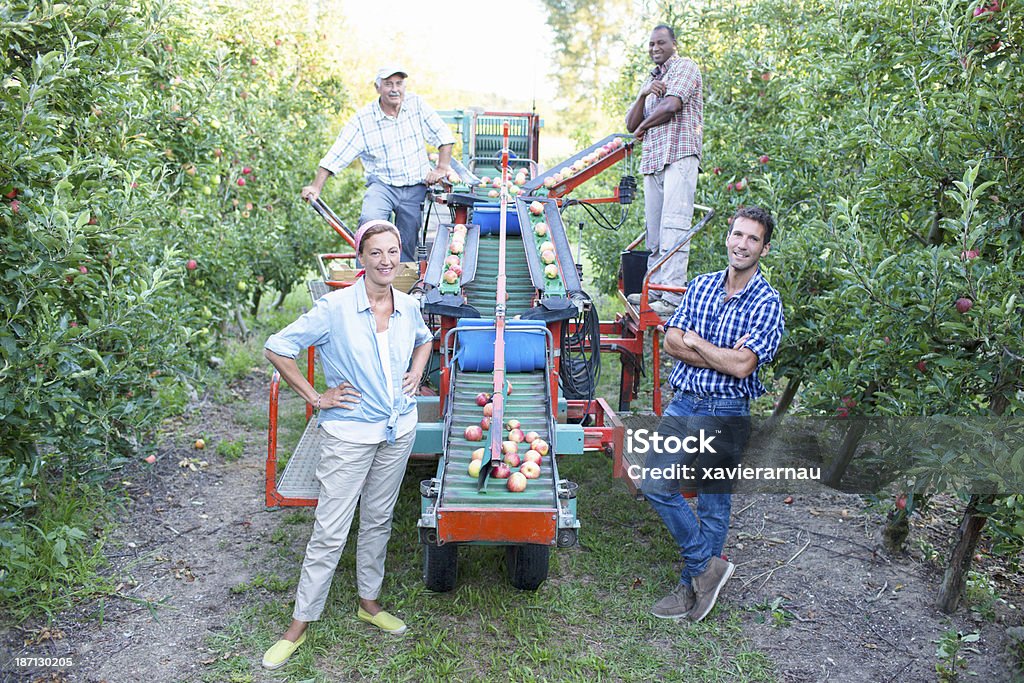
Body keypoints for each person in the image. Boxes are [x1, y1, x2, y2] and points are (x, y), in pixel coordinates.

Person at [261, 220, 433, 670]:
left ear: (401, 256)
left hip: (397, 432)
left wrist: (417, 371)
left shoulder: (409, 305)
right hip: (349, 434)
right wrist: (318, 397)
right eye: (376, 252)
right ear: (361, 258)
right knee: (330, 530)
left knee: (378, 518)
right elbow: (278, 347)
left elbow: (425, 340)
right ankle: (299, 624)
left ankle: (369, 602)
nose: (385, 261)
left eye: (393, 252)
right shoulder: (335, 308)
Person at [642, 206, 784, 622]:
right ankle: (707, 568)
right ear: (728, 237)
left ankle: (691, 589)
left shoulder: (767, 302)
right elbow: (671, 343)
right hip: (684, 401)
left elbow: (742, 366)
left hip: (727, 411)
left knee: (713, 505)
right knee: (655, 482)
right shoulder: (701, 286)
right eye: (738, 235)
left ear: (764, 248)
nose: (742, 244)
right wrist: (720, 351)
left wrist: (698, 344)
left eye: (753, 239)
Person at [301, 66, 455, 262]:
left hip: (416, 186)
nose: (394, 89)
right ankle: (365, 280)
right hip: (382, 186)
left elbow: (444, 136)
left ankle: (400, 286)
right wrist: (316, 187)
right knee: (370, 224)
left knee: (405, 242)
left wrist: (441, 168)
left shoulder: (415, 105)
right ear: (377, 88)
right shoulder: (363, 120)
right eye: (388, 84)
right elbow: (337, 154)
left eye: (399, 84)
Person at [624, 24, 703, 317]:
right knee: (655, 231)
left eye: (661, 43)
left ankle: (671, 296)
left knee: (674, 225)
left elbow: (672, 105)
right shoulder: (652, 78)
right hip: (654, 160)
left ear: (674, 44)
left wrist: (645, 125)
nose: (655, 48)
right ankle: (654, 289)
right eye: (651, 44)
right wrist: (643, 95)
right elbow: (630, 124)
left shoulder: (685, 67)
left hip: (679, 155)